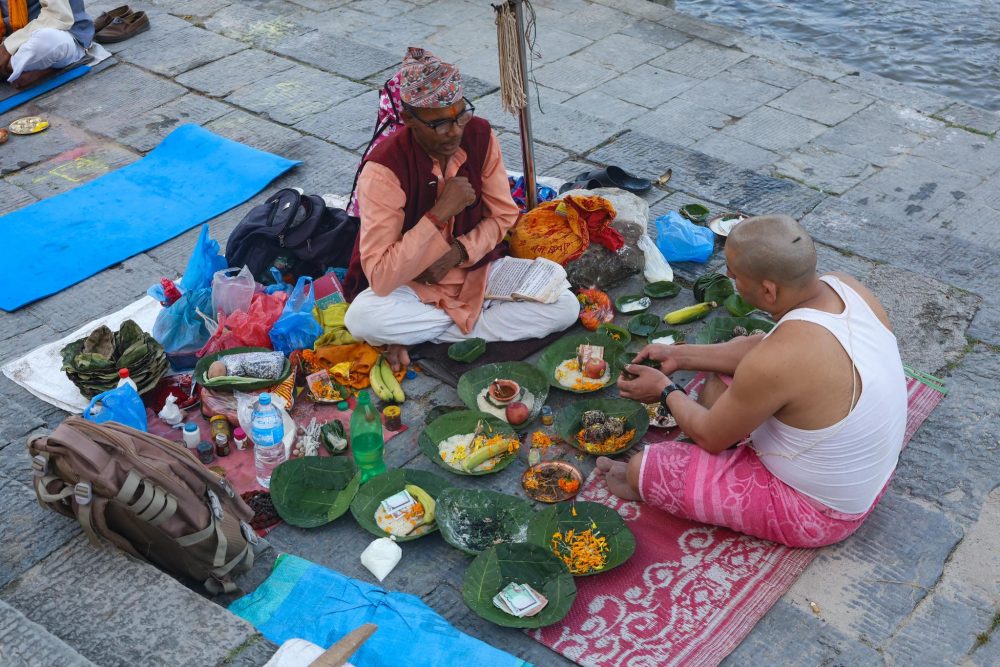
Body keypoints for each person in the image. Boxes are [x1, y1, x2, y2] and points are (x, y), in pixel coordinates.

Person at [603, 215, 907, 548]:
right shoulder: (844, 285)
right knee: (725, 374)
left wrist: (665, 389)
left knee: (644, 467)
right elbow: (765, 347)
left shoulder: (776, 361)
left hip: (821, 512)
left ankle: (639, 481)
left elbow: (710, 437)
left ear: (768, 290)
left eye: (734, 276)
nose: (730, 280)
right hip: (865, 477)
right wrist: (681, 356)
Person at [343, 47, 579, 370]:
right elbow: (382, 278)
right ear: (410, 119)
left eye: (459, 116)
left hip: (477, 272)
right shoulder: (384, 170)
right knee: (362, 318)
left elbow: (504, 215)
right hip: (413, 286)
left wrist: (457, 253)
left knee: (565, 306)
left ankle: (428, 335)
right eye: (439, 124)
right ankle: (471, 329)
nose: (454, 131)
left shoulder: (479, 134)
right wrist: (438, 214)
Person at [0, 0, 93, 89]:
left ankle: (9, 69)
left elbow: (58, 16)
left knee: (46, 41)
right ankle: (19, 68)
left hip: (61, 32)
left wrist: (8, 46)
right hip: (12, 42)